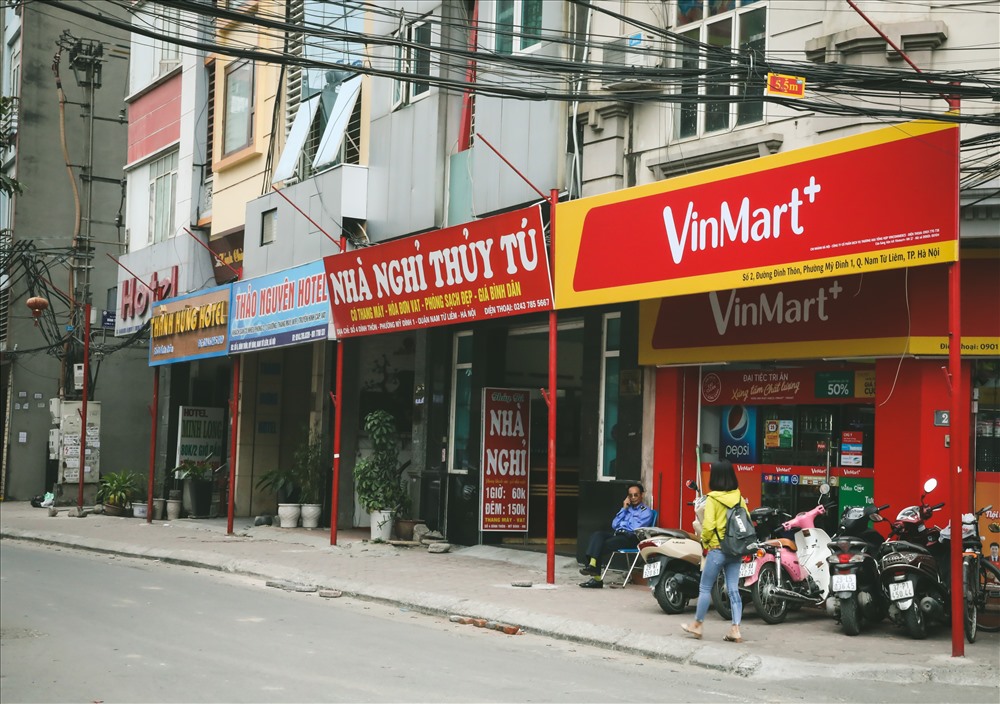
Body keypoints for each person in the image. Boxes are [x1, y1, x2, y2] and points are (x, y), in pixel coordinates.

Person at [681, 460, 746, 643]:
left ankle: (697, 625)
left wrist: (706, 542)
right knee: (733, 589)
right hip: (735, 550)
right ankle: (735, 629)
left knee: (705, 588)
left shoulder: (713, 499)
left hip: (717, 550)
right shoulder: (739, 497)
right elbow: (746, 520)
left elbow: (708, 526)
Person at [579, 481, 654, 588]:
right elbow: (614, 524)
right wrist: (624, 508)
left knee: (600, 545)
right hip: (619, 535)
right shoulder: (626, 509)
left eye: (636, 495)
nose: (633, 498)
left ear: (642, 495)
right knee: (597, 535)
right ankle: (592, 565)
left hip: (631, 538)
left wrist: (622, 524)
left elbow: (634, 528)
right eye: (630, 495)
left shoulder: (646, 512)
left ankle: (596, 576)